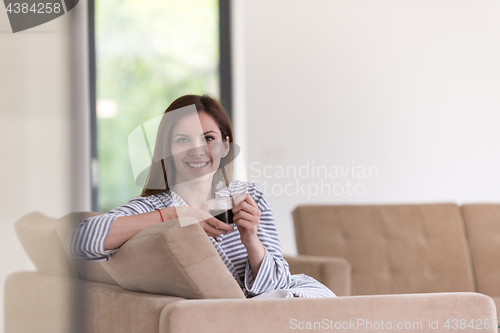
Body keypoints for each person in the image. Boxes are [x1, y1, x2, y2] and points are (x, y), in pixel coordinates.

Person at [68, 94, 336, 299]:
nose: (197, 150)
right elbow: (80, 239)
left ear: (224, 145)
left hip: (276, 302)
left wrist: (252, 240)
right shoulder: (154, 208)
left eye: (208, 138)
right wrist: (176, 216)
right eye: (183, 140)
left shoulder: (248, 195)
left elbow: (277, 285)